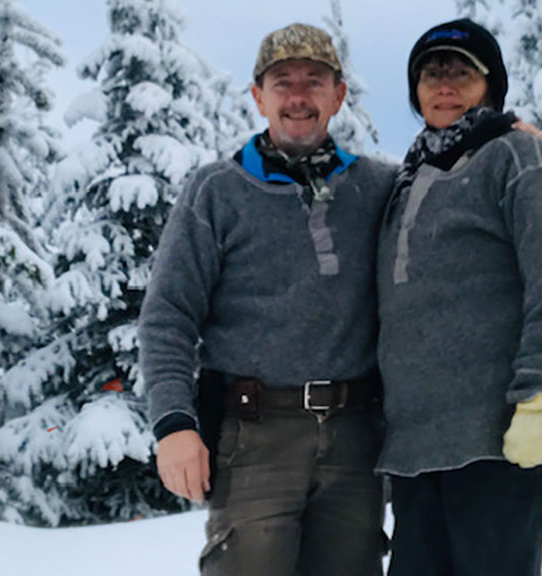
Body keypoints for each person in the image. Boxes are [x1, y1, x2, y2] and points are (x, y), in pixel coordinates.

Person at [138, 23, 394, 576]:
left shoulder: (378, 187)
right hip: (253, 438)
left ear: (339, 95)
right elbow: (168, 316)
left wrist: (505, 134)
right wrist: (174, 425)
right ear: (258, 97)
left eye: (314, 81)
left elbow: (450, 185)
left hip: (356, 440)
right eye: (282, 82)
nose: (298, 96)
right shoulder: (217, 192)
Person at [376, 18, 542, 576]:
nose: (444, 84)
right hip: (417, 451)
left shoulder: (519, 158)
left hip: (497, 441)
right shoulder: (408, 179)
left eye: (461, 72)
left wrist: (538, 396)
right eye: (431, 73)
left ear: (491, 85)